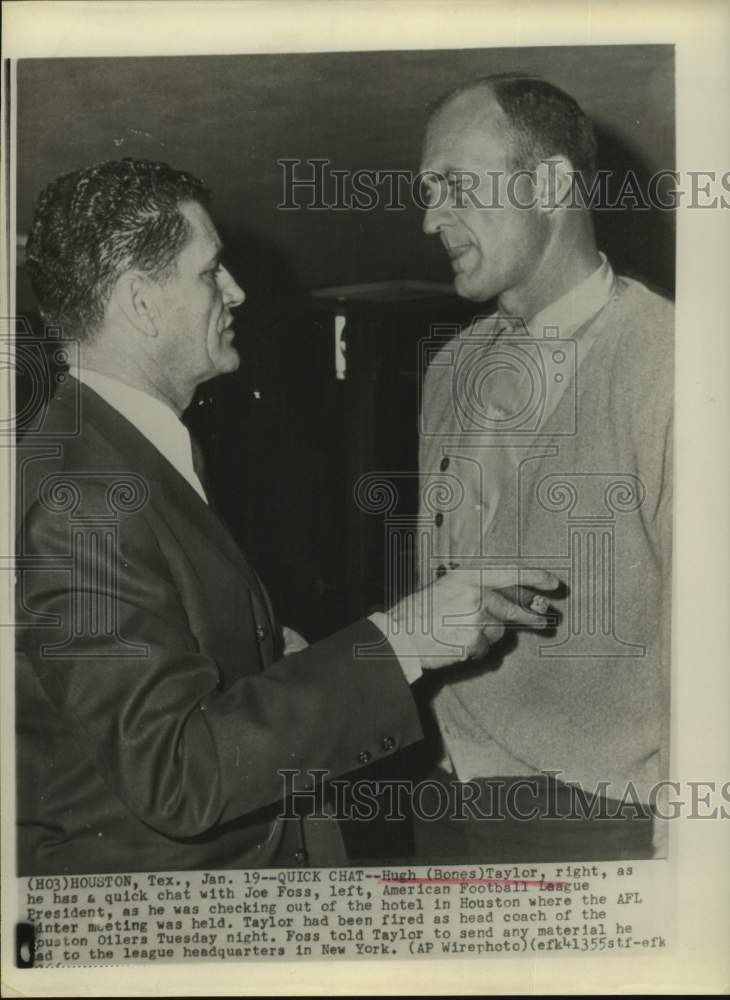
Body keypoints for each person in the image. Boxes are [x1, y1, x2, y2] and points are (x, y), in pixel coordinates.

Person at [15, 157, 558, 876]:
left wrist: (268, 657)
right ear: (141, 303)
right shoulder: (83, 496)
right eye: (210, 271)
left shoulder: (115, 450)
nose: (236, 291)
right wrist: (404, 641)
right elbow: (179, 773)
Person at [414, 74, 673, 861]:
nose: (431, 219)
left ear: (552, 183)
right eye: (428, 193)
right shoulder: (449, 369)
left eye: (455, 186)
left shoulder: (673, 359)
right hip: (444, 792)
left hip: (596, 817)